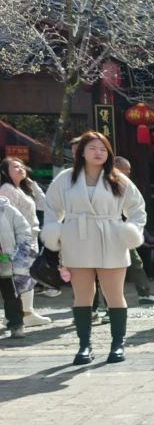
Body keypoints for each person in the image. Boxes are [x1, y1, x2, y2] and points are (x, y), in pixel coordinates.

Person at [41, 131, 146, 364]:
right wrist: (54, 231)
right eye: (92, 148)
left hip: (112, 239)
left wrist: (129, 232)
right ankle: (84, 345)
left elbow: (138, 209)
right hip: (76, 239)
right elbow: (51, 209)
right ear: (81, 152)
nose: (98, 153)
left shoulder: (118, 179)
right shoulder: (65, 178)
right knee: (83, 295)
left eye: (102, 149)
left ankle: (117, 344)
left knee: (114, 294)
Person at [0, 157, 51, 325]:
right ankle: (24, 313)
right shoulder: (7, 189)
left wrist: (31, 184)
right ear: (5, 171)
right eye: (15, 166)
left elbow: (43, 204)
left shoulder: (21, 189)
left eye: (22, 166)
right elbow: (8, 218)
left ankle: (21, 313)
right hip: (20, 240)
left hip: (30, 237)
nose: (21, 168)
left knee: (26, 275)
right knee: (23, 276)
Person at [110, 157, 154, 305]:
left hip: (120, 229)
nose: (128, 173)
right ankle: (97, 304)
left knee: (135, 262)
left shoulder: (124, 185)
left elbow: (136, 208)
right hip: (105, 229)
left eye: (129, 170)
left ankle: (144, 293)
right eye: (125, 169)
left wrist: (133, 229)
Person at [0, 194, 34, 338]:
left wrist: (18, 251)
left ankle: (16, 325)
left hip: (6, 259)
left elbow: (24, 229)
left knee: (11, 294)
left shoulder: (6, 208)